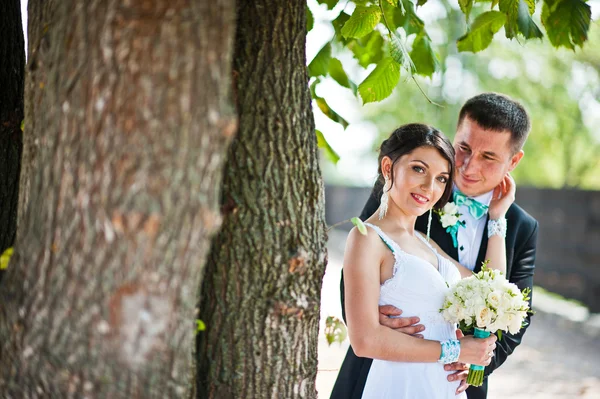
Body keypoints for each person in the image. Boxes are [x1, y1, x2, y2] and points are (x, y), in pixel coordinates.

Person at [331, 93, 538, 399]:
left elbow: (507, 302)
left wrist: (479, 362)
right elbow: (357, 273)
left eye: (488, 157)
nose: (467, 166)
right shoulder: (403, 191)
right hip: (385, 370)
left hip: (453, 381)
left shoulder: (519, 226)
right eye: (463, 149)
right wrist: (374, 318)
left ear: (513, 160)